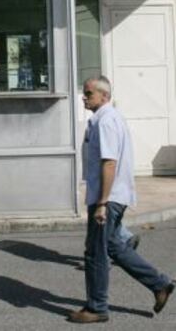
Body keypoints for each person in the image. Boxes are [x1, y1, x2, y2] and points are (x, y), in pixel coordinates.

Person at [68, 76, 174, 324]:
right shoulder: (106, 119)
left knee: (95, 253)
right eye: (84, 93)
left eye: (89, 93)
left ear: (105, 96)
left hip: (108, 196)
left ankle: (96, 307)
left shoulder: (105, 121)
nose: (84, 97)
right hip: (113, 194)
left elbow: (109, 162)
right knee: (114, 246)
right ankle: (160, 284)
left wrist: (102, 203)